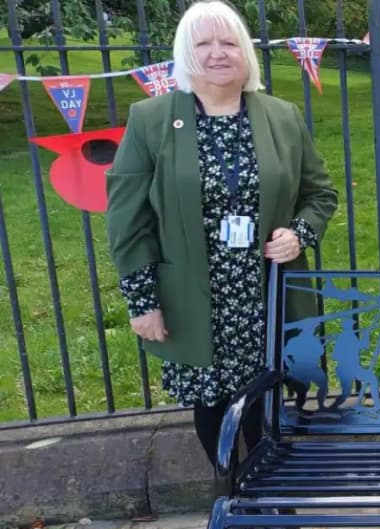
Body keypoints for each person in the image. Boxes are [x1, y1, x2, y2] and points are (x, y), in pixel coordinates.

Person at [106, 0, 338, 466]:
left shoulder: (282, 116)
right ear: (185, 53)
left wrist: (299, 233)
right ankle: (230, 489)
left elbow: (321, 195)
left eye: (229, 42)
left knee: (266, 394)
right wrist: (142, 302)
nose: (218, 53)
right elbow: (128, 220)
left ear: (245, 52)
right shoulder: (151, 120)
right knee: (211, 401)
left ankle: (270, 497)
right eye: (204, 43)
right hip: (192, 291)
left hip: (264, 288)